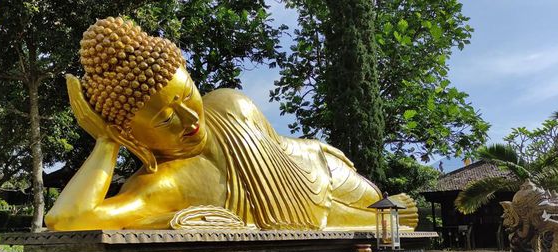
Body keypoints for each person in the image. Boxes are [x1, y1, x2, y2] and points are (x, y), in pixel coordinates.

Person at [45, 17, 417, 231]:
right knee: (395, 218)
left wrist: (316, 153)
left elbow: (283, 158)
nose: (191, 118)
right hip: (316, 216)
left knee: (383, 204)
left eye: (186, 93)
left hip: (319, 167)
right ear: (131, 133)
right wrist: (108, 142)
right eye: (165, 117)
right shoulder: (162, 185)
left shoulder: (225, 100)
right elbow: (69, 219)